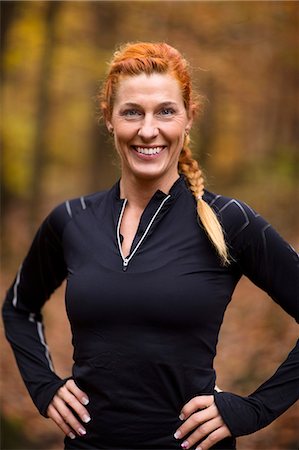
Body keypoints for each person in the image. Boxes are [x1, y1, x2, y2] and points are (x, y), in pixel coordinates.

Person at [2, 42, 298, 450]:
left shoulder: (229, 220)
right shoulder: (71, 220)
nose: (147, 130)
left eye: (165, 111)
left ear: (188, 118)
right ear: (109, 119)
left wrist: (255, 409)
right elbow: (19, 307)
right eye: (131, 112)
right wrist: (43, 386)